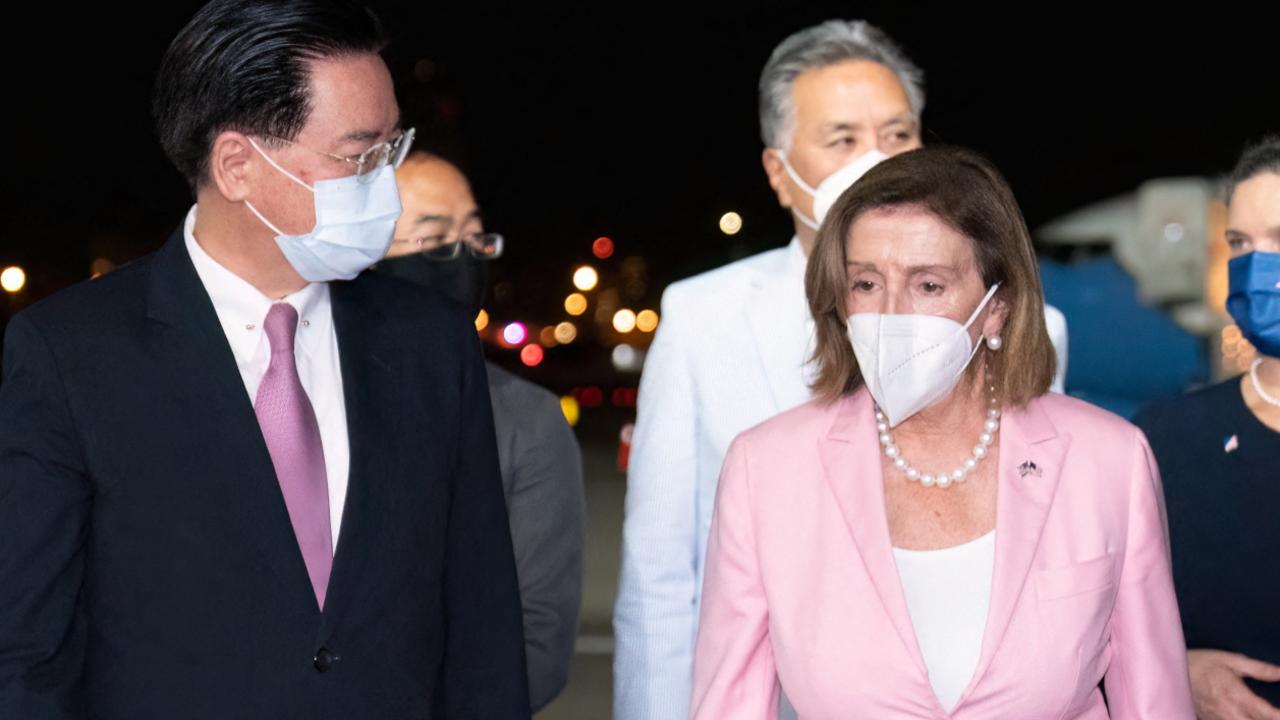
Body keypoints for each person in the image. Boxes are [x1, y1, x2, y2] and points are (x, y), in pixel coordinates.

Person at [0, 2, 528, 718]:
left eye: (392, 149)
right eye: (359, 154)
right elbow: (26, 649)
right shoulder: (70, 354)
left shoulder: (428, 344)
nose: (385, 181)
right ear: (239, 165)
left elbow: (482, 627)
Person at [612, 19, 1069, 719]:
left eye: (896, 135)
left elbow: (1043, 556)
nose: (877, 162)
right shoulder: (704, 319)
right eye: (843, 140)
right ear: (777, 172)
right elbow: (661, 577)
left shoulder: (1025, 326)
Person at [691, 146, 1193, 719]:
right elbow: (728, 703)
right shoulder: (768, 470)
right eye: (865, 284)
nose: (891, 313)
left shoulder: (1108, 460)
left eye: (928, 285)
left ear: (997, 308)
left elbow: (1154, 700)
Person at [377, 151, 585, 713]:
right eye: (433, 237)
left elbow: (537, 641)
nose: (462, 257)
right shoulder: (296, 397)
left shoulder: (525, 420)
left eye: (473, 235)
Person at [1134, 137, 1280, 720]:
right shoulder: (1168, 439)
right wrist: (1177, 671)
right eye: (1241, 243)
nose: (1257, 267)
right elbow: (1093, 626)